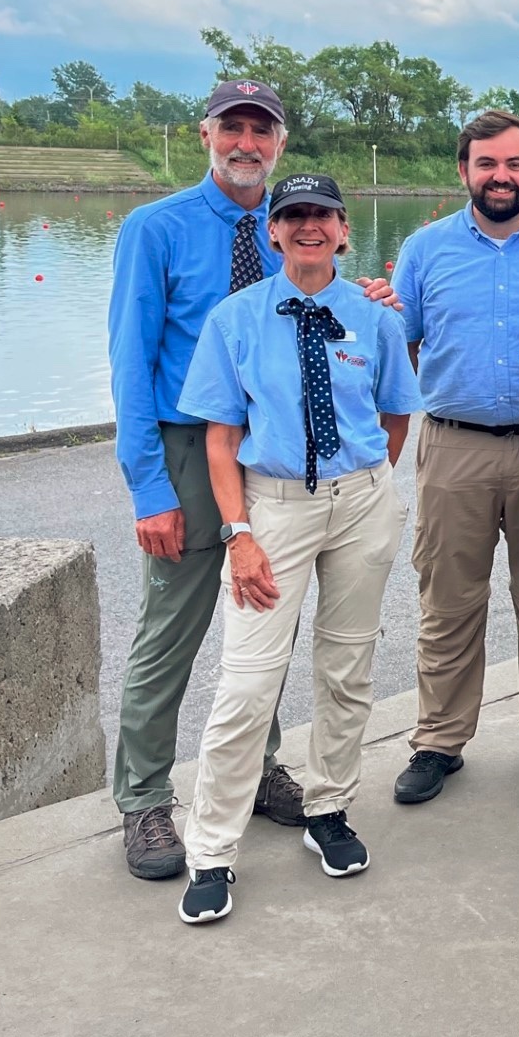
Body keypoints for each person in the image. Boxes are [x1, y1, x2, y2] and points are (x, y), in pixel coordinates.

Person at [106, 79, 392, 881]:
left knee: (261, 621)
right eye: (232, 127)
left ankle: (259, 767)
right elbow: (130, 361)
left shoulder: (289, 231)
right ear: (206, 134)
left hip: (271, 454)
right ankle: (144, 799)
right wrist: (150, 487)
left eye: (261, 131)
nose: (246, 143)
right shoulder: (155, 229)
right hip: (190, 446)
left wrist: (364, 295)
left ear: (279, 145)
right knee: (171, 627)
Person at [173, 174, 420, 924]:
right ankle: (211, 849)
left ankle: (329, 808)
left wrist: (368, 483)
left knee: (347, 666)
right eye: (293, 216)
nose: (308, 227)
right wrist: (239, 533)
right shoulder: (236, 319)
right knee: (248, 681)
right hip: (271, 510)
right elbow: (220, 438)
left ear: (344, 230)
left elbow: (394, 414)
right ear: (273, 232)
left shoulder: (370, 317)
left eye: (322, 215)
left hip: (360, 503)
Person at [389, 110, 519, 808]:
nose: (501, 176)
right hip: (455, 446)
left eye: (514, 164)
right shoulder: (423, 250)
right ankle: (439, 739)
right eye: (487, 164)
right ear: (464, 171)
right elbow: (411, 343)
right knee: (448, 600)